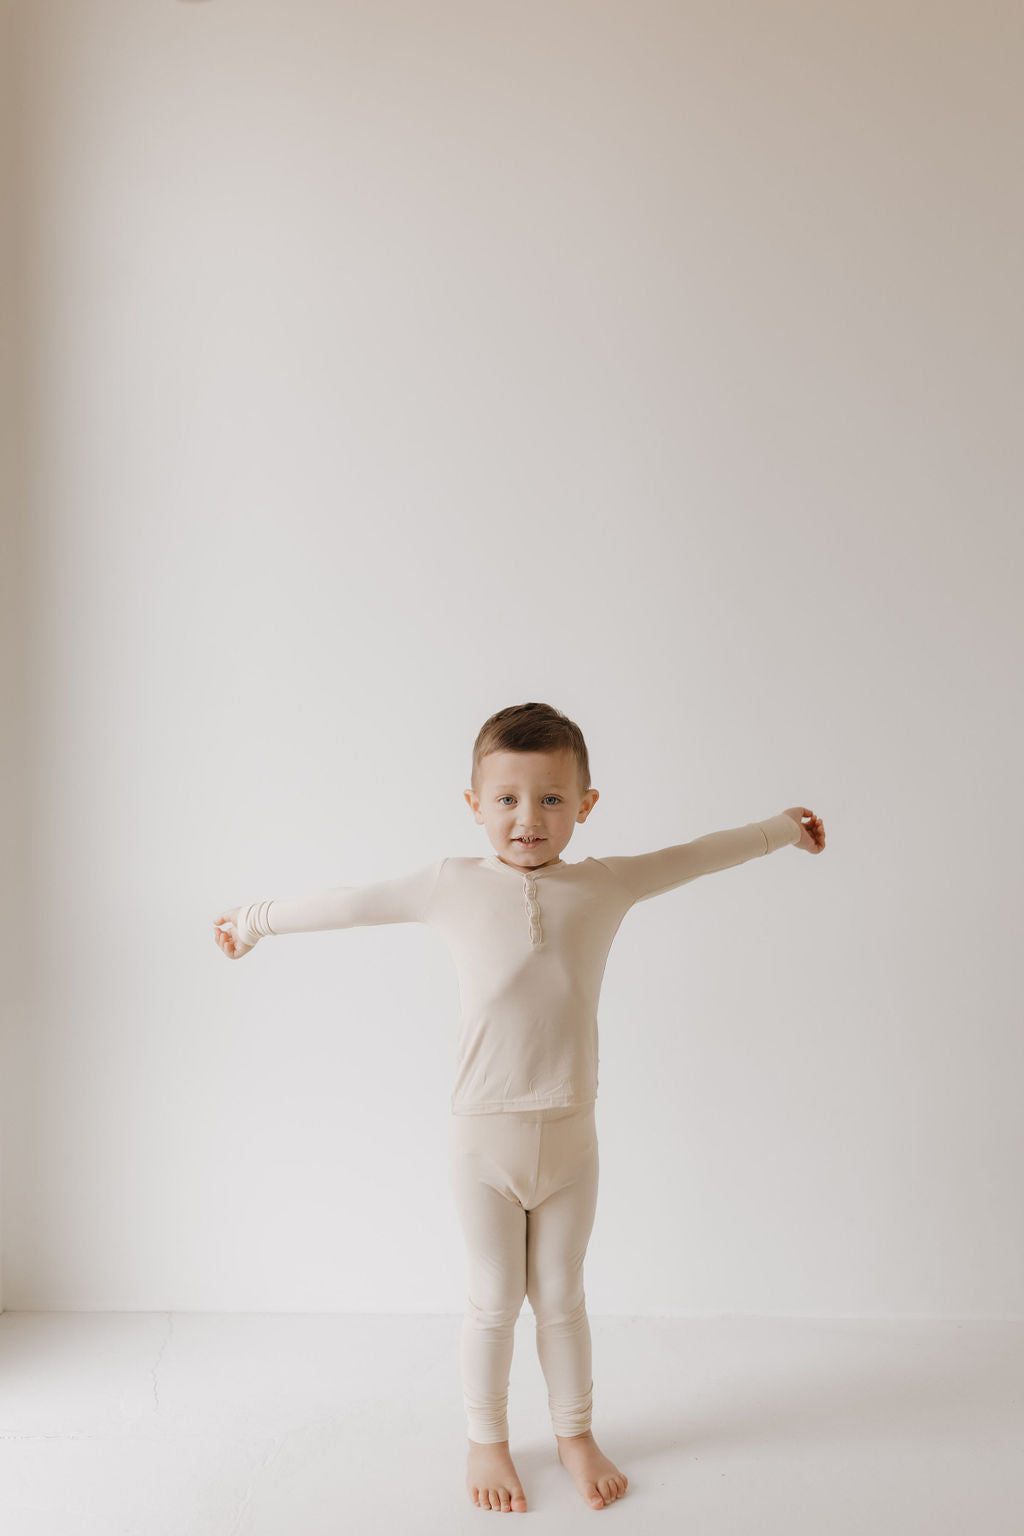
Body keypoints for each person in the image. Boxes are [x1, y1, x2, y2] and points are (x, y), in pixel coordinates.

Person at [213, 701, 826, 1513]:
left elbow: (695, 855)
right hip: (484, 1140)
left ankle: (575, 1435)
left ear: (585, 805)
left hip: (572, 1135)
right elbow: (351, 903)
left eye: (549, 800)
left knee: (563, 1295)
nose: (527, 819)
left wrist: (782, 827)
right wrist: (254, 922)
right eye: (505, 799)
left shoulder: (607, 883)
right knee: (495, 1297)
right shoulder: (449, 885)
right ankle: (487, 1442)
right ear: (474, 805)